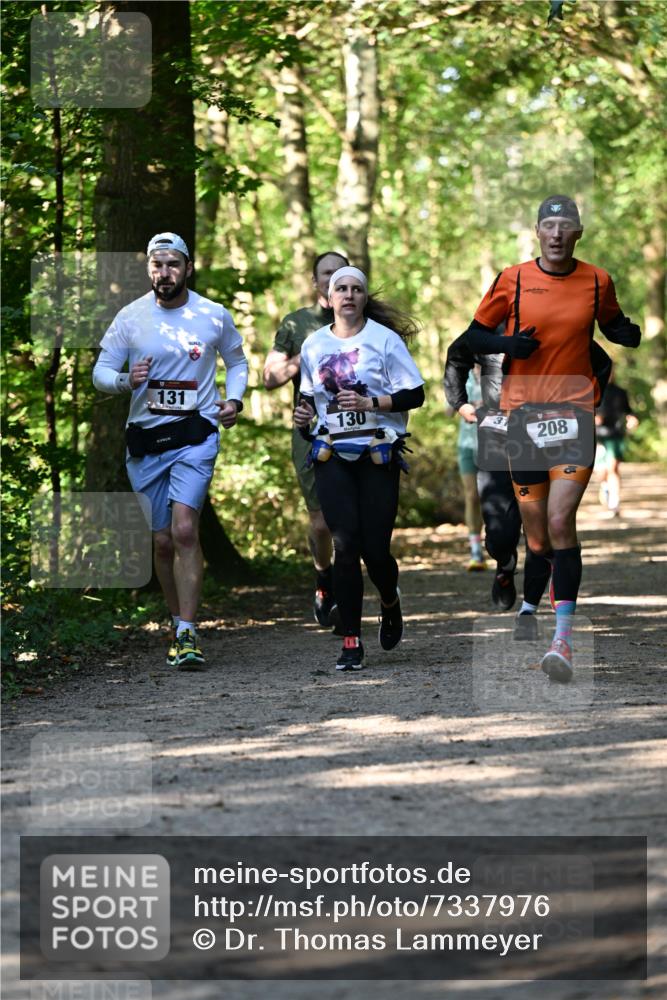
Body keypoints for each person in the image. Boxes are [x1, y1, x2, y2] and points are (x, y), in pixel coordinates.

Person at [465, 195, 641, 682]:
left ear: (578, 233)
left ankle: (562, 640)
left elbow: (610, 323)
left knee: (562, 521)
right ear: (538, 233)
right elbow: (473, 339)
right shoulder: (513, 279)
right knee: (538, 535)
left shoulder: (597, 280)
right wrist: (507, 345)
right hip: (523, 418)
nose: (558, 233)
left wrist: (627, 332)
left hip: (574, 415)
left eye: (567, 226)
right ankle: (534, 590)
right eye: (550, 226)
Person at [92, 232, 248, 670]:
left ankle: (187, 631)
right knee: (161, 543)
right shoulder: (131, 317)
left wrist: (233, 401)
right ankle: (177, 620)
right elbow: (100, 371)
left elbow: (237, 362)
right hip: (146, 440)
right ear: (149, 269)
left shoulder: (212, 315)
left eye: (173, 264)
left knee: (183, 531)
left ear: (188, 267)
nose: (165, 272)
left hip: (196, 435)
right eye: (157, 265)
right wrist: (127, 380)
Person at [294, 266, 425, 671]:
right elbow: (307, 403)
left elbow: (416, 394)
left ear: (365, 297)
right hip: (332, 454)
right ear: (329, 298)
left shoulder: (384, 341)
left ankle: (390, 599)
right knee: (346, 545)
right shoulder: (314, 345)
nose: (349, 295)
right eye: (341, 289)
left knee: (375, 550)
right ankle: (351, 640)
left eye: (356, 289)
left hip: (377, 453)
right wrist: (301, 419)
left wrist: (373, 405)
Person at [445, 328, 612, 631]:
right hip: (497, 438)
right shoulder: (488, 333)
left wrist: (583, 407)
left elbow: (602, 363)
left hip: (543, 436)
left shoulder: (555, 328)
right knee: (499, 536)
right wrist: (460, 403)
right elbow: (457, 355)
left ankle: (538, 595)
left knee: (544, 528)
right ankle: (505, 565)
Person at [263, 252, 349, 629]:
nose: (333, 282)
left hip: (357, 429)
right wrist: (309, 352)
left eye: (340, 275)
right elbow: (270, 377)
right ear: (315, 282)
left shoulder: (364, 318)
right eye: (326, 275)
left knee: (351, 520)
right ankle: (324, 578)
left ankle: (348, 593)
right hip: (310, 430)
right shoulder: (297, 324)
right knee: (320, 523)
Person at [453, 366, 487, 571]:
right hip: (466, 444)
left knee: (489, 496)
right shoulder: (461, 377)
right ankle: (476, 549)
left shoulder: (497, 372)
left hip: (493, 445)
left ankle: (496, 542)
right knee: (472, 495)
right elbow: (449, 410)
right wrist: (461, 403)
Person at [595, 375, 638, 516]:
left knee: (613, 467)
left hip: (615, 434)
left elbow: (628, 411)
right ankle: (605, 486)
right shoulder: (592, 389)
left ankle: (614, 502)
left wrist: (632, 418)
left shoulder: (620, 392)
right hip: (596, 436)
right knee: (601, 473)